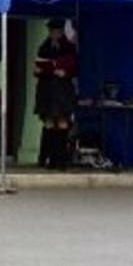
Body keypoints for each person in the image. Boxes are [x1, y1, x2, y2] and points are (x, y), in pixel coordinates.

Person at [33, 19, 78, 172]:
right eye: (52, 32)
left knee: (63, 122)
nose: (54, 35)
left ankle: (61, 160)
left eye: (57, 32)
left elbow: (75, 67)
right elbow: (38, 66)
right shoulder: (44, 47)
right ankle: (47, 158)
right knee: (49, 122)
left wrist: (65, 72)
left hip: (63, 89)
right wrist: (41, 70)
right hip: (47, 89)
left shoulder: (69, 48)